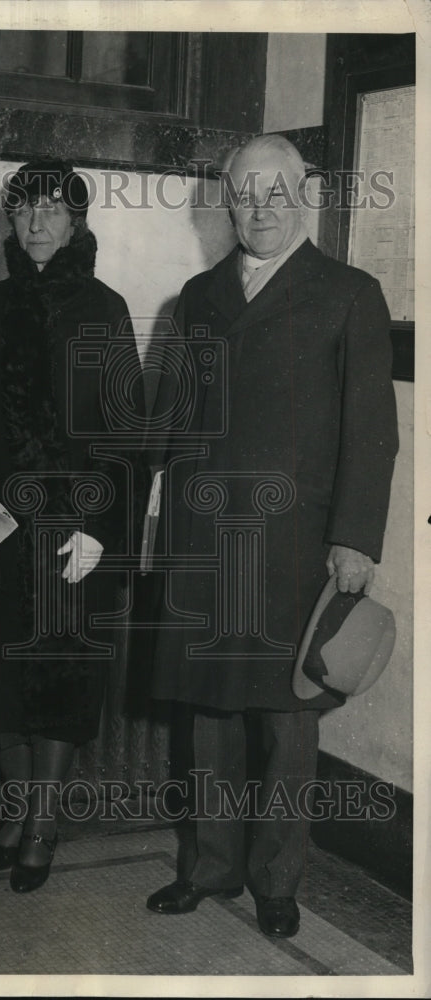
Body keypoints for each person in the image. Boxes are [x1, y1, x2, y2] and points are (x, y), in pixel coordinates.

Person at [145, 135, 398, 937]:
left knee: (287, 723)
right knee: (209, 713)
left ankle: (279, 880)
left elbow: (371, 429)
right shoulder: (197, 294)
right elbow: (177, 422)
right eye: (245, 193)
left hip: (296, 540)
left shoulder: (349, 293)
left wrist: (356, 538)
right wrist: (161, 520)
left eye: (275, 192)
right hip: (205, 533)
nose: (259, 207)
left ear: (304, 196)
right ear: (228, 201)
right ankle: (209, 867)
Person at [0, 161, 144, 893]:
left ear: (77, 224)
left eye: (54, 210)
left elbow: (128, 432)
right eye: (25, 208)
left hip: (73, 529)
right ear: (9, 220)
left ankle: (40, 823)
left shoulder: (105, 307)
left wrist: (102, 526)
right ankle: (23, 805)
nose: (37, 222)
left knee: (61, 678)